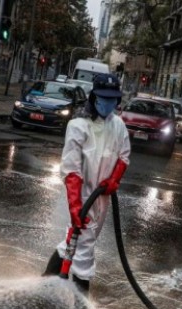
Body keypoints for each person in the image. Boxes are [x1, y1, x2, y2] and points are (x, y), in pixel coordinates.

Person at [42, 73, 131, 293]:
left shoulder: (118, 126)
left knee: (73, 242)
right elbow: (71, 168)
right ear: (94, 97)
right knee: (84, 247)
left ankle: (46, 281)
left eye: (113, 99)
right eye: (104, 98)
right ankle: (82, 305)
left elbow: (124, 155)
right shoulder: (78, 125)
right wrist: (75, 206)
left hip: (102, 197)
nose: (108, 103)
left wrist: (114, 180)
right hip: (82, 196)